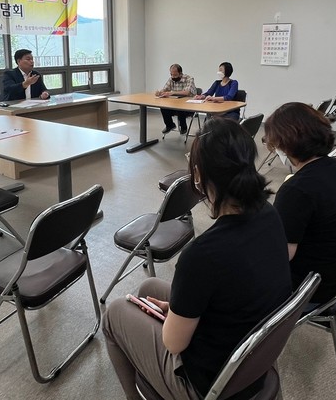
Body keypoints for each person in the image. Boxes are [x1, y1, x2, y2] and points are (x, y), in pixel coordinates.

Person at [103, 118, 291, 400]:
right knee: (148, 288)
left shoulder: (202, 254)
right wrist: (178, 310)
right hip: (252, 358)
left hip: (211, 385)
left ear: (199, 175)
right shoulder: (269, 213)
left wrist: (173, 319)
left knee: (115, 312)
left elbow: (173, 343)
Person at [264, 102, 336, 304]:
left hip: (313, 290)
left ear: (285, 144)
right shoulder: (334, 168)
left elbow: (280, 256)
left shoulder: (296, 190)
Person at [155, 63, 197, 135]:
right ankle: (170, 125)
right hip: (175, 104)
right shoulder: (171, 79)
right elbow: (165, 89)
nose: (173, 77)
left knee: (180, 107)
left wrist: (172, 93)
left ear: (180, 73)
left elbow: (186, 92)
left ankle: (183, 127)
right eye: (171, 74)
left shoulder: (189, 79)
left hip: (189, 106)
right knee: (163, 107)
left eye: (175, 75)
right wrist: (160, 92)